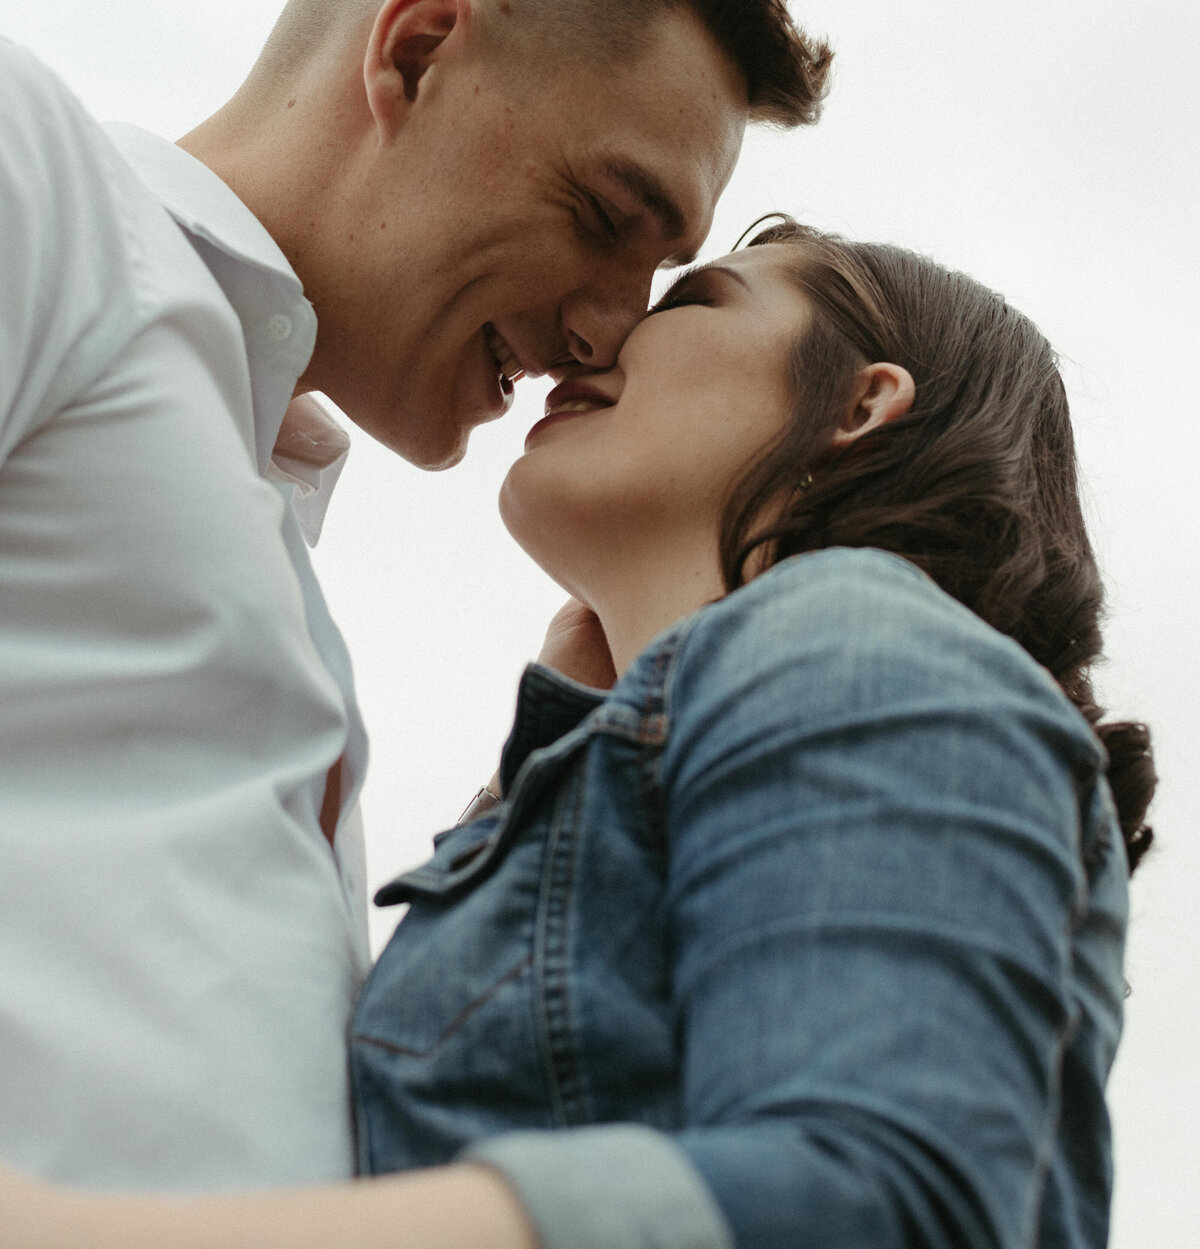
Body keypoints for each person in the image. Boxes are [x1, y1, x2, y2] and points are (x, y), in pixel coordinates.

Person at [0, 222, 1156, 1249]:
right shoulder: (618, 755)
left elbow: (881, 1203)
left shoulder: (859, 637)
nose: (593, 343)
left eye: (693, 302)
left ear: (859, 404)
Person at [0, 0, 830, 1189]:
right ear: (418, 52)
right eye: (609, 217)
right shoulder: (42, 188)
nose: (615, 329)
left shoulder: (270, 522)